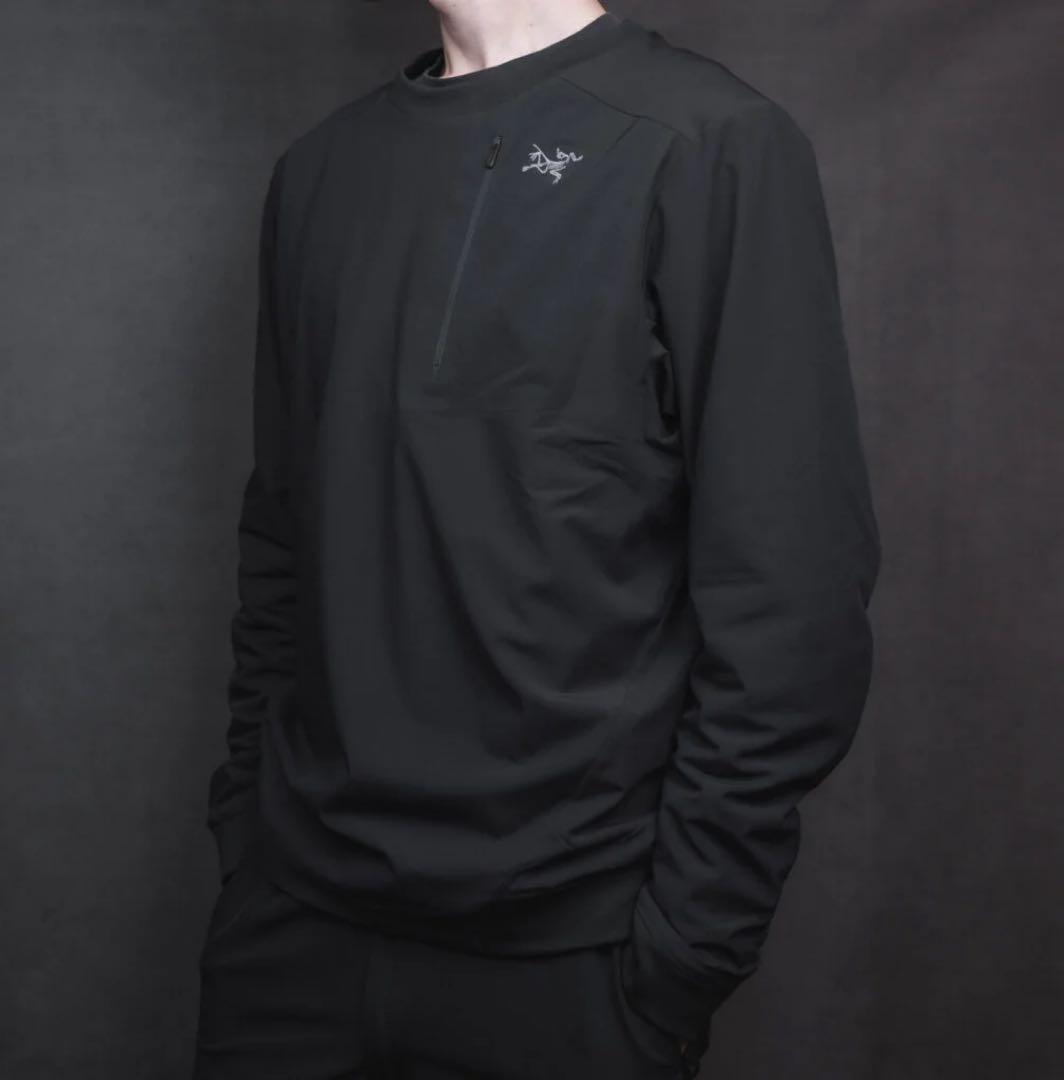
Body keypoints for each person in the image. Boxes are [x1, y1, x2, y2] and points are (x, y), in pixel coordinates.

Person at [192, 2, 882, 1077]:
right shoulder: (321, 170)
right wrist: (249, 838)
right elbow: (279, 537)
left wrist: (684, 949)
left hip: (571, 958)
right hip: (293, 935)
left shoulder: (708, 144)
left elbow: (792, 595)